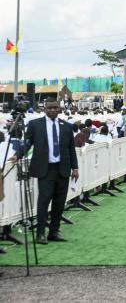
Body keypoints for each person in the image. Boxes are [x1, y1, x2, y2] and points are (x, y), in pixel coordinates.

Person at [18, 99, 79, 245]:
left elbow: (71, 149)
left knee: (59, 203)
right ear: (44, 109)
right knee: (44, 202)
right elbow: (27, 143)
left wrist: (75, 168)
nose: (52, 110)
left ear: (59, 109)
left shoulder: (66, 126)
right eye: (50, 108)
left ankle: (54, 232)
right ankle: (40, 234)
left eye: (55, 108)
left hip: (62, 169)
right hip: (45, 170)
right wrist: (17, 155)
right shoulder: (35, 125)